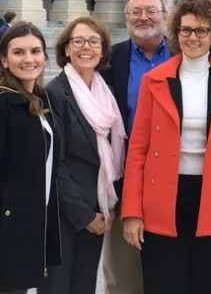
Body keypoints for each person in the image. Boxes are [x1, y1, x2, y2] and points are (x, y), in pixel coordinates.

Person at [122, 0, 211, 294]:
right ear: (176, 33)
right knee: (163, 282)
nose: (193, 37)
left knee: (202, 283)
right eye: (187, 30)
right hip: (161, 195)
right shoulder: (154, 79)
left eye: (201, 30)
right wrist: (132, 212)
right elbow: (138, 149)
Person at [38, 17, 126, 294]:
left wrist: (104, 209)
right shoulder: (54, 93)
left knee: (84, 286)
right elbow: (55, 164)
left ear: (102, 49)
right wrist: (84, 214)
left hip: (98, 208)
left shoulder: (106, 93)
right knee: (58, 288)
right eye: (78, 41)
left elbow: (109, 158)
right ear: (66, 49)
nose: (86, 47)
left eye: (93, 41)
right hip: (65, 213)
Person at [102, 0, 171, 294]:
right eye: (136, 12)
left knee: (171, 265)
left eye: (151, 11)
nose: (143, 18)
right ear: (126, 17)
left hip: (178, 175)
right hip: (125, 174)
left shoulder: (188, 53)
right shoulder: (109, 60)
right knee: (123, 270)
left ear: (165, 16)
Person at [0, 23, 61, 294]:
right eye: (18, 52)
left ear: (45, 57)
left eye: (35, 51)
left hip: (29, 221)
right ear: (4, 59)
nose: (28, 59)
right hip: (7, 226)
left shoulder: (38, 99)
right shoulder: (4, 102)